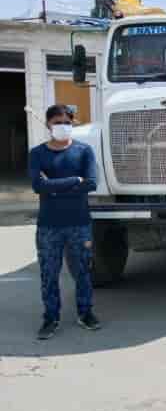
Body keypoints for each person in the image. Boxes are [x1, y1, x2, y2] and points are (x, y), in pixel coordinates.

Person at [29, 105, 100, 340]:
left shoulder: (84, 151)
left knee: (83, 271)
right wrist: (74, 180)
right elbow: (37, 186)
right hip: (49, 225)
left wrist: (53, 188)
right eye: (58, 122)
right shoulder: (37, 154)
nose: (63, 126)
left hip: (79, 223)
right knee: (49, 273)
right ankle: (51, 318)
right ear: (48, 124)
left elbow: (91, 183)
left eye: (67, 122)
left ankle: (85, 313)